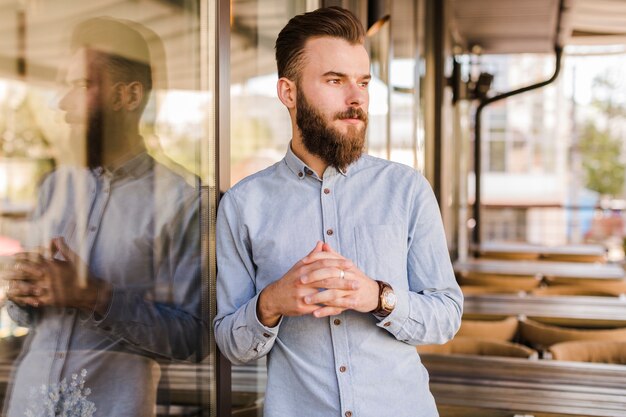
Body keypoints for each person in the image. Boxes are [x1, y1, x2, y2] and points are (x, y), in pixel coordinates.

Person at [214, 6, 463, 417]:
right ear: (288, 92)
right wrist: (271, 302)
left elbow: (446, 316)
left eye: (363, 83)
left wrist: (377, 297)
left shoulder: (407, 189)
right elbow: (231, 343)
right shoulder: (243, 205)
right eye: (335, 81)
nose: (356, 99)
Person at [3, 17, 205, 417]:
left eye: (79, 86)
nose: (62, 104)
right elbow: (24, 312)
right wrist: (22, 289)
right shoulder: (55, 187)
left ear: (127, 96)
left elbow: (194, 338)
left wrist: (92, 295)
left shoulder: (183, 200)